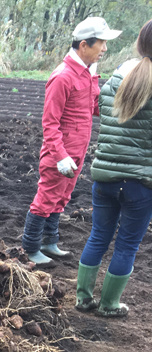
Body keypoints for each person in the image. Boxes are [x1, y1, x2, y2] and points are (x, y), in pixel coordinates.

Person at [20, 17, 122, 265]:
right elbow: (50, 124)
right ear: (85, 45)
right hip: (60, 155)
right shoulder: (63, 77)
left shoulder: (87, 75)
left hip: (76, 152)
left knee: (61, 197)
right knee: (45, 198)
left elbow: (94, 108)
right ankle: (31, 248)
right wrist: (60, 156)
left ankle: (50, 242)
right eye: (102, 43)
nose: (105, 49)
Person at [75, 19, 152, 317]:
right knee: (127, 246)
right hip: (140, 183)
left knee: (98, 236)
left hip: (104, 178)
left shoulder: (116, 78)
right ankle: (109, 305)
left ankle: (83, 299)